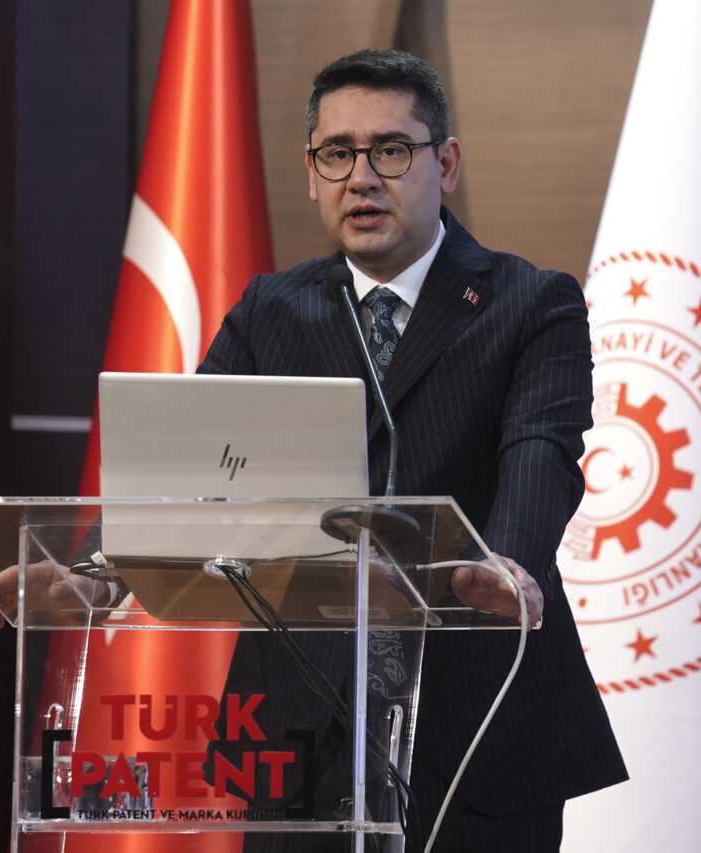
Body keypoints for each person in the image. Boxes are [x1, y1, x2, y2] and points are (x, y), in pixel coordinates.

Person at [196, 49, 627, 851]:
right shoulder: (269, 309)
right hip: (300, 722)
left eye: (391, 150)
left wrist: (507, 563)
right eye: (337, 153)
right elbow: (188, 458)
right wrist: (87, 566)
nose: (362, 178)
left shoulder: (530, 302)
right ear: (312, 172)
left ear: (446, 163)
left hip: (477, 710)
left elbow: (540, 446)